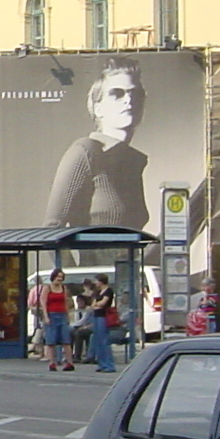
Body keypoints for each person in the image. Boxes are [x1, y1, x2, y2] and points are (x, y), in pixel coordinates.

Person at [45, 60, 151, 230]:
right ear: (98, 109)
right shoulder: (86, 152)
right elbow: (51, 228)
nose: (129, 100)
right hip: (98, 257)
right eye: (117, 93)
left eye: (136, 93)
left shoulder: (133, 160)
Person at [42, 269, 74, 371]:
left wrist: (68, 316)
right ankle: (52, 363)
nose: (59, 279)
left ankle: (70, 363)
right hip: (51, 315)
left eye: (61, 277)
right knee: (51, 341)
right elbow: (43, 303)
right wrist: (46, 316)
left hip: (62, 315)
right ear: (53, 277)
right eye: (58, 277)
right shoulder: (47, 288)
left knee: (66, 340)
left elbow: (66, 302)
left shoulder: (63, 288)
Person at [88, 282, 119, 374]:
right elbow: (93, 305)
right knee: (97, 340)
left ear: (101, 281)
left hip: (103, 316)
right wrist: (97, 304)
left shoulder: (108, 291)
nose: (95, 283)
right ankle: (101, 364)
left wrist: (98, 304)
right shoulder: (98, 292)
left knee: (104, 341)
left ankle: (109, 364)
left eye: (96, 281)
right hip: (96, 316)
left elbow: (103, 303)